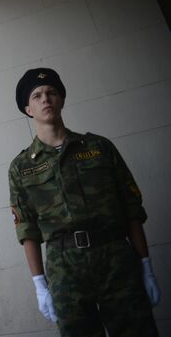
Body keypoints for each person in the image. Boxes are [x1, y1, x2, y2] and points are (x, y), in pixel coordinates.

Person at [8, 68, 161, 337]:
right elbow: (27, 229)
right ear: (28, 109)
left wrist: (145, 265)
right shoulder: (21, 167)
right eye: (37, 95)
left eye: (52, 93)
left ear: (62, 100)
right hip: (64, 267)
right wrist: (40, 284)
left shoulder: (99, 147)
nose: (46, 99)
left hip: (116, 257)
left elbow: (131, 210)